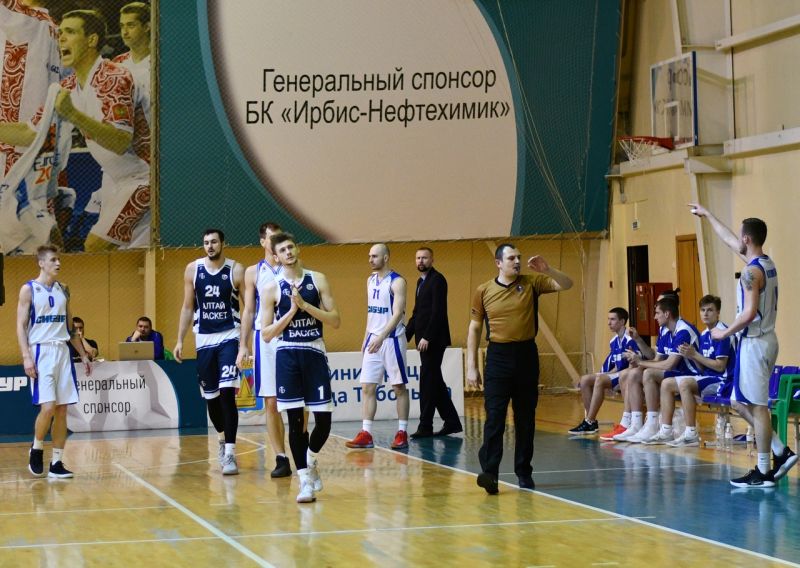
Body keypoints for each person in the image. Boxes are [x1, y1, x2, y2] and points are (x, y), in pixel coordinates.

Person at [0, 10, 150, 252]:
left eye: (70, 32)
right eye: (60, 33)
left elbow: (121, 141)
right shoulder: (66, 86)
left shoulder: (114, 77)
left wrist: (73, 114)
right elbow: (31, 133)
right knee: (126, 254)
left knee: (95, 247)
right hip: (116, 181)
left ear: (92, 40)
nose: (61, 38)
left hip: (144, 178)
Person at [689, 204, 797, 487]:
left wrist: (723, 334)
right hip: (763, 341)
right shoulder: (765, 263)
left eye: (740, 236)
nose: (737, 239)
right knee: (739, 401)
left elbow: (748, 313)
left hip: (755, 342)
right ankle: (780, 452)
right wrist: (708, 215)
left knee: (758, 407)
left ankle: (764, 471)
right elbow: (729, 241)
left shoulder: (751, 273)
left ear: (747, 239)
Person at [466, 244, 573, 493]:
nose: (517, 261)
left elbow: (567, 284)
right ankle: (490, 473)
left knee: (525, 418)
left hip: (526, 355)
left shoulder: (532, 283)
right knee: (495, 416)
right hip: (498, 357)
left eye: (519, 258)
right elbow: (475, 327)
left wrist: (548, 270)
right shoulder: (484, 290)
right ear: (498, 263)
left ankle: (524, 472)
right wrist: (471, 366)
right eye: (511, 258)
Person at [260, 232, 340, 503]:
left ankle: (311, 459)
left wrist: (305, 306)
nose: (288, 252)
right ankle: (304, 480)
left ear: (297, 249)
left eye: (291, 247)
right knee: (295, 422)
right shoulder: (271, 287)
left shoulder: (317, 279)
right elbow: (266, 334)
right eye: (282, 250)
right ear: (276, 256)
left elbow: (335, 320)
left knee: (324, 421)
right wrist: (292, 312)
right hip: (287, 355)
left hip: (314, 352)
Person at [16, 245, 92, 478]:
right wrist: (26, 356)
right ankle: (37, 447)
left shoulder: (63, 289)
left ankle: (56, 463)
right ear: (41, 263)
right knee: (48, 407)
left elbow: (70, 328)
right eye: (53, 260)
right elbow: (20, 326)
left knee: (62, 410)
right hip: (41, 351)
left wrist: (83, 354)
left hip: (63, 352)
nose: (58, 263)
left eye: (59, 259)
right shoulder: (28, 289)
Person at [174, 229, 244, 475]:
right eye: (206, 243)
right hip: (203, 339)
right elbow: (187, 307)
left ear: (223, 243)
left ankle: (231, 453)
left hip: (229, 336)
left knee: (227, 393)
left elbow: (248, 308)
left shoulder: (236, 270)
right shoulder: (192, 270)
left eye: (214, 242)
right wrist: (179, 340)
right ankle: (222, 439)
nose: (210, 246)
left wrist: (246, 343)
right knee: (212, 398)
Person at [236, 221, 292, 478]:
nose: (277, 242)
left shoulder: (291, 266)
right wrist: (243, 345)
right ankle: (281, 457)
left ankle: (301, 450)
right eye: (272, 238)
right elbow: (248, 311)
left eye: (280, 237)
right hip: (265, 339)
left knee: (297, 402)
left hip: (291, 335)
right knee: (271, 401)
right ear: (262, 242)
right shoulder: (253, 272)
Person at [346, 244, 410, 451]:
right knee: (367, 387)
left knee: (398, 387)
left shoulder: (397, 282)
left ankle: (402, 432)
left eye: (374, 256)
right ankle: (366, 433)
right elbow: (371, 312)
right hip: (373, 339)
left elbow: (398, 313)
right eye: (369, 256)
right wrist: (366, 338)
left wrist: (381, 336)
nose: (370, 259)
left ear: (386, 257)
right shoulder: (370, 280)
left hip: (391, 339)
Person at [616, 296, 700, 444]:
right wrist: (639, 359)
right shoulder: (664, 330)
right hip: (677, 372)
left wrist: (641, 362)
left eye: (657, 313)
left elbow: (669, 365)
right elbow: (657, 360)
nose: (654, 317)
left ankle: (652, 424)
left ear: (667, 314)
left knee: (648, 373)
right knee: (634, 373)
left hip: (692, 373)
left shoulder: (683, 330)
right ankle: (636, 424)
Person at [655, 295, 735, 447]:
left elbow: (720, 366)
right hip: (708, 378)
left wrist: (695, 355)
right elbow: (702, 368)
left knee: (685, 383)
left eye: (710, 310)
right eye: (703, 310)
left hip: (724, 381)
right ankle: (666, 430)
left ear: (718, 313)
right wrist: (691, 356)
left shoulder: (722, 333)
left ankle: (691, 433)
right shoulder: (704, 334)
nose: (705, 314)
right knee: (667, 384)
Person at [406, 247, 462, 438]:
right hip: (424, 340)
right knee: (434, 381)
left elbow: (438, 312)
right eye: (418, 258)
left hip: (434, 341)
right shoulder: (420, 282)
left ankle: (425, 425)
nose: (421, 261)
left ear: (432, 260)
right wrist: (404, 336)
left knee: (428, 382)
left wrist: (427, 336)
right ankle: (452, 422)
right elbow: (417, 313)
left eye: (424, 258)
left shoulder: (438, 280)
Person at [568, 307, 639, 435]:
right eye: (608, 319)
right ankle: (591, 421)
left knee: (600, 379)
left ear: (622, 322)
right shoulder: (614, 341)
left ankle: (589, 421)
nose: (609, 323)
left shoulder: (630, 339)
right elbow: (617, 366)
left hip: (628, 374)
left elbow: (633, 365)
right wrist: (604, 374)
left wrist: (612, 380)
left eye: (612, 319)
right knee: (585, 379)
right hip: (618, 373)